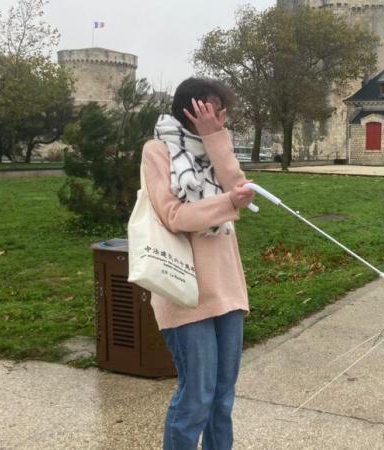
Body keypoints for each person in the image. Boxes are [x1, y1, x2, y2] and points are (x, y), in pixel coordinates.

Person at [141, 77, 255, 449]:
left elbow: (236, 185)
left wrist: (215, 139)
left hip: (226, 288)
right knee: (196, 399)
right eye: (214, 108)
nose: (222, 115)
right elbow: (175, 215)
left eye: (223, 109)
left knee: (222, 399)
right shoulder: (158, 151)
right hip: (185, 290)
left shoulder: (214, 147)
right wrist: (227, 204)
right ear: (193, 109)